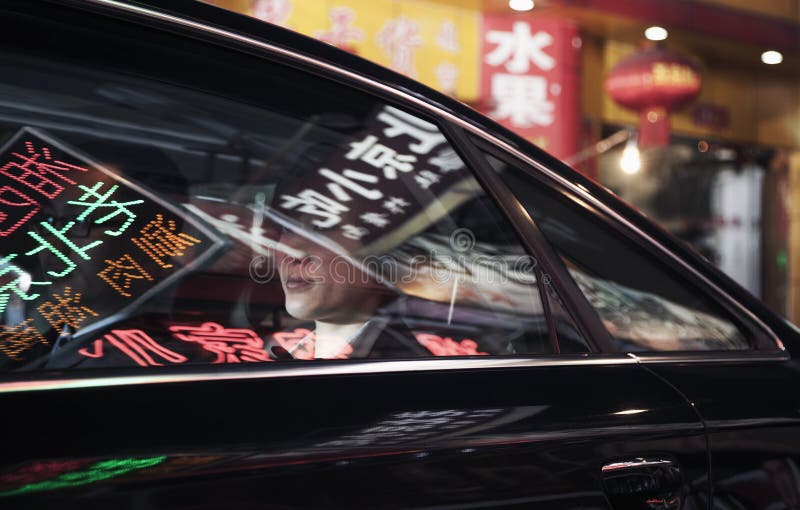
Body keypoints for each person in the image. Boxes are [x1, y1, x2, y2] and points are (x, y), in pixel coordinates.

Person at [268, 222, 430, 360]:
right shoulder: (272, 349)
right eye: (286, 228)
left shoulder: (404, 367)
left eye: (321, 227)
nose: (291, 252)